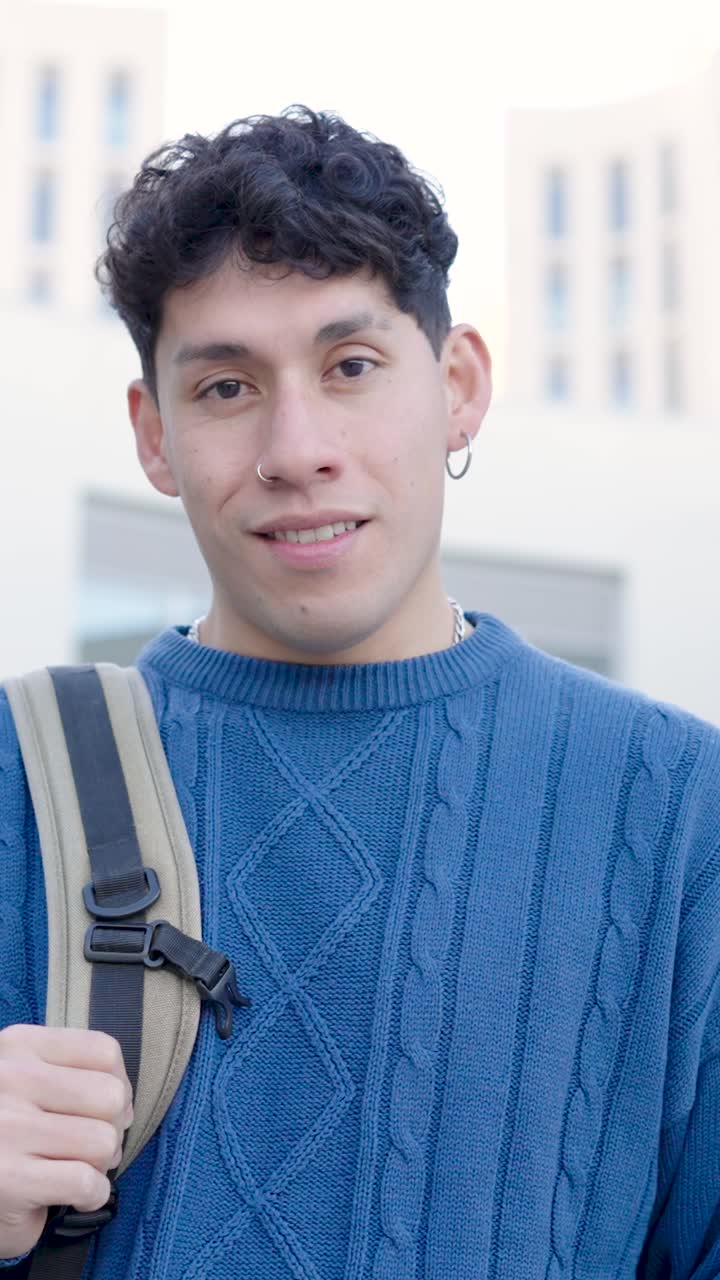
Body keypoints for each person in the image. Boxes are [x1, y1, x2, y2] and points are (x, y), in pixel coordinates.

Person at [1, 106, 719, 1280]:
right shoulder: (18, 773)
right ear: (155, 436)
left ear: (459, 384)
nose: (298, 447)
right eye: (227, 387)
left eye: (350, 366)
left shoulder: (682, 808)